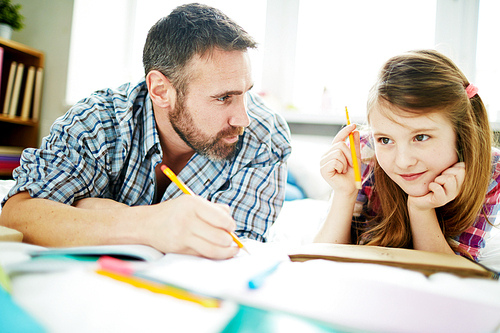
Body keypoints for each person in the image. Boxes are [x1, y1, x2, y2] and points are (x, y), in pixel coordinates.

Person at [0, 3, 291, 259]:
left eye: (246, 93)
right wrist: (149, 224)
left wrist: (95, 210)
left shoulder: (266, 137)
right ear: (161, 90)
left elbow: (233, 249)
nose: (244, 118)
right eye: (223, 98)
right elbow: (17, 215)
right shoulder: (100, 120)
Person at [315, 49, 499, 261]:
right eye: (385, 140)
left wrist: (421, 210)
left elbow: (454, 276)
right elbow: (320, 260)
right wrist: (344, 193)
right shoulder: (365, 153)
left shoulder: (490, 169)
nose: (403, 162)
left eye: (420, 137)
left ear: (461, 132)